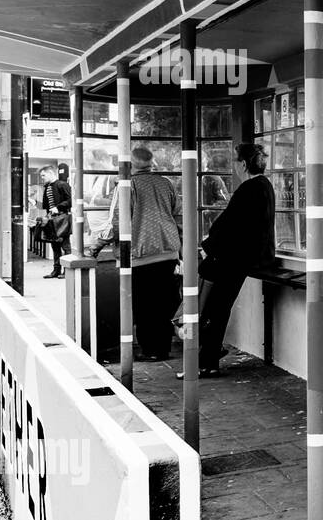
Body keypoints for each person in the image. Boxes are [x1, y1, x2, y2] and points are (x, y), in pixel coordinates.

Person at [185, 143, 274, 378]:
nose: (234, 166)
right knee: (217, 309)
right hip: (248, 258)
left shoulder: (248, 189)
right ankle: (209, 358)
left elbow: (228, 225)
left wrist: (206, 247)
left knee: (212, 309)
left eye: (235, 161)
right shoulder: (265, 186)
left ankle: (206, 361)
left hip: (233, 259)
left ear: (243, 164)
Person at [90, 148, 181, 361]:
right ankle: (163, 348)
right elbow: (178, 216)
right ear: (151, 163)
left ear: (130, 165)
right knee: (164, 303)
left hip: (139, 256)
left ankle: (150, 350)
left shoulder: (126, 186)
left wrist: (96, 246)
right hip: (168, 252)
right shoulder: (166, 183)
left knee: (143, 305)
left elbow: (116, 223)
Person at [40, 165, 72, 278]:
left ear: (50, 173)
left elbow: (71, 200)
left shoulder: (62, 184)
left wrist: (58, 207)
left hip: (62, 218)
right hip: (52, 219)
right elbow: (46, 205)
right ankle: (56, 270)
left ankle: (67, 271)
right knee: (55, 246)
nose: (42, 178)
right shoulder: (47, 187)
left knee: (65, 246)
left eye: (43, 175)